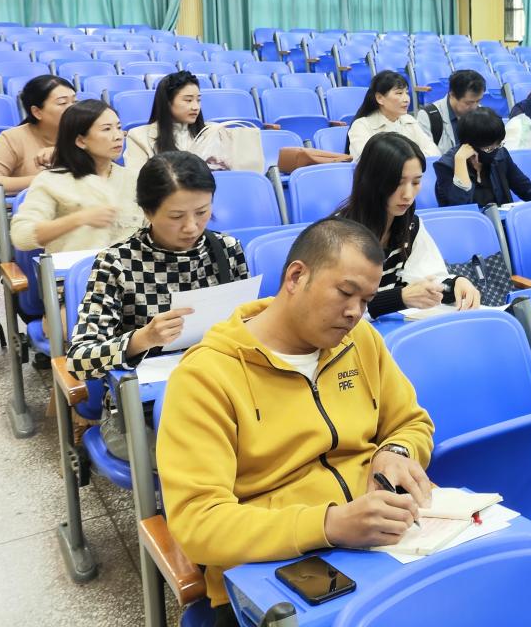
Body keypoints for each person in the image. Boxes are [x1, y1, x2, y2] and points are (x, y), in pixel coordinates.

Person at [158, 217, 435, 616]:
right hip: (273, 569)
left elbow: (412, 422)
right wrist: (329, 524)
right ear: (296, 277)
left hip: (381, 543)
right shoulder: (205, 376)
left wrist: (396, 451)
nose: (355, 313)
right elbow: (198, 524)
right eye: (345, 293)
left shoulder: (361, 341)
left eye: (366, 300)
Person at [67, 151, 248, 379]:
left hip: (219, 376)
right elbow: (79, 361)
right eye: (176, 216)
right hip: (151, 388)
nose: (191, 226)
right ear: (147, 212)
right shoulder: (117, 263)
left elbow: (244, 324)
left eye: (202, 212)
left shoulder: (227, 248)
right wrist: (143, 338)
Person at [336, 133, 480, 317]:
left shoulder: (410, 225)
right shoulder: (340, 235)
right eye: (398, 183)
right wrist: (400, 297)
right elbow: (340, 310)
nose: (408, 194)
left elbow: (429, 278)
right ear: (372, 181)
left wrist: (455, 284)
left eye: (416, 182)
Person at [10, 100, 144, 253]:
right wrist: (78, 219)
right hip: (74, 268)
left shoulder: (134, 179)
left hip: (129, 266)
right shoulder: (51, 181)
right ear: (81, 141)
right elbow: (22, 236)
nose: (118, 136)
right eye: (106, 129)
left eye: (119, 128)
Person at [434, 107, 531, 207]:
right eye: (489, 148)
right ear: (470, 145)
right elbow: (458, 207)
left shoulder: (500, 154)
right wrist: (460, 162)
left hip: (502, 225)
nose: (495, 150)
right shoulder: (446, 165)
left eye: (498, 145)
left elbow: (525, 188)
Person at [0, 74, 76, 200]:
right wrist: (43, 179)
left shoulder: (86, 133)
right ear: (37, 112)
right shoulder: (14, 138)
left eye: (75, 102)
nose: (73, 108)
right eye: (62, 103)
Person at [123, 71, 206, 172]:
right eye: (188, 100)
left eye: (198, 100)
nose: (196, 107)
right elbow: (136, 177)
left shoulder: (211, 132)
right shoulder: (139, 137)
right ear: (167, 102)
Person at [347, 69, 438, 159]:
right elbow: (370, 161)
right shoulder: (361, 126)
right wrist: (413, 161)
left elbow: (433, 151)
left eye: (406, 93)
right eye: (399, 93)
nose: (406, 99)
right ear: (379, 98)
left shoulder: (409, 121)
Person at [416, 68, 486, 155]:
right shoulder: (428, 117)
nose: (475, 107)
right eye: (468, 103)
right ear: (452, 94)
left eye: (478, 101)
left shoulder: (483, 114)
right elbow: (426, 156)